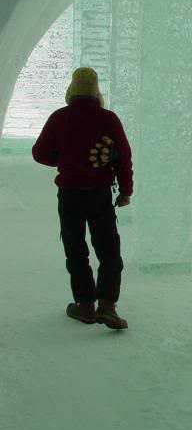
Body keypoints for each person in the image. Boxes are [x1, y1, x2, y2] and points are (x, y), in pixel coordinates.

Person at [32, 67, 133, 330]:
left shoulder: (59, 117)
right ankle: (107, 306)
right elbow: (123, 157)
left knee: (76, 250)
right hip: (100, 194)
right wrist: (125, 190)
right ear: (95, 90)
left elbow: (39, 153)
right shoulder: (108, 119)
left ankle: (85, 305)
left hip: (70, 194)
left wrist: (63, 160)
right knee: (109, 250)